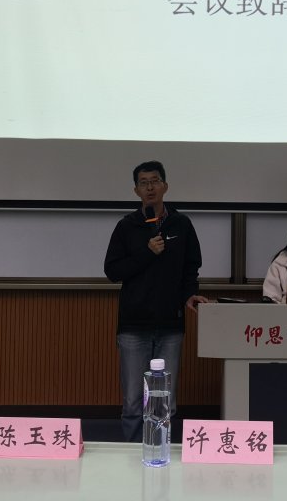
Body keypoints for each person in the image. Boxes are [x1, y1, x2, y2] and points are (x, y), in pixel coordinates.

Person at [104, 161, 208, 442]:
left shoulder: (181, 224)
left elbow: (191, 266)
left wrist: (189, 294)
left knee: (166, 402)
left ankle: (161, 451)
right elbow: (113, 270)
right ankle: (131, 453)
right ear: (136, 190)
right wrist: (147, 253)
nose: (150, 187)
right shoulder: (127, 226)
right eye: (144, 183)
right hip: (134, 326)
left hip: (170, 324)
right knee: (133, 402)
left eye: (154, 181)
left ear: (165, 186)